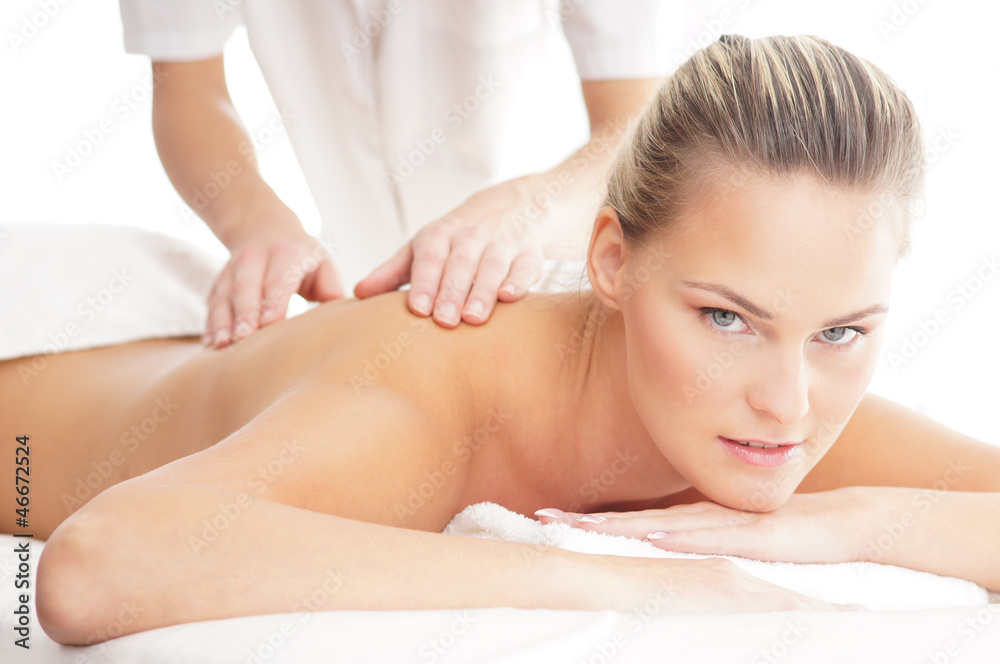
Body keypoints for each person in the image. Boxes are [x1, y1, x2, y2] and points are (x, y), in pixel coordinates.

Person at [12, 34, 1000, 646]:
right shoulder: (429, 394)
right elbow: (98, 566)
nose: (789, 404)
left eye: (841, 331)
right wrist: (619, 582)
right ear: (609, 262)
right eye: (724, 318)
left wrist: (845, 522)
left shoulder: (771, 406)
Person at [119, 0, 677, 345]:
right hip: (352, 289)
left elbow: (636, 122)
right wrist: (253, 220)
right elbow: (185, 83)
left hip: (541, 257)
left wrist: (527, 209)